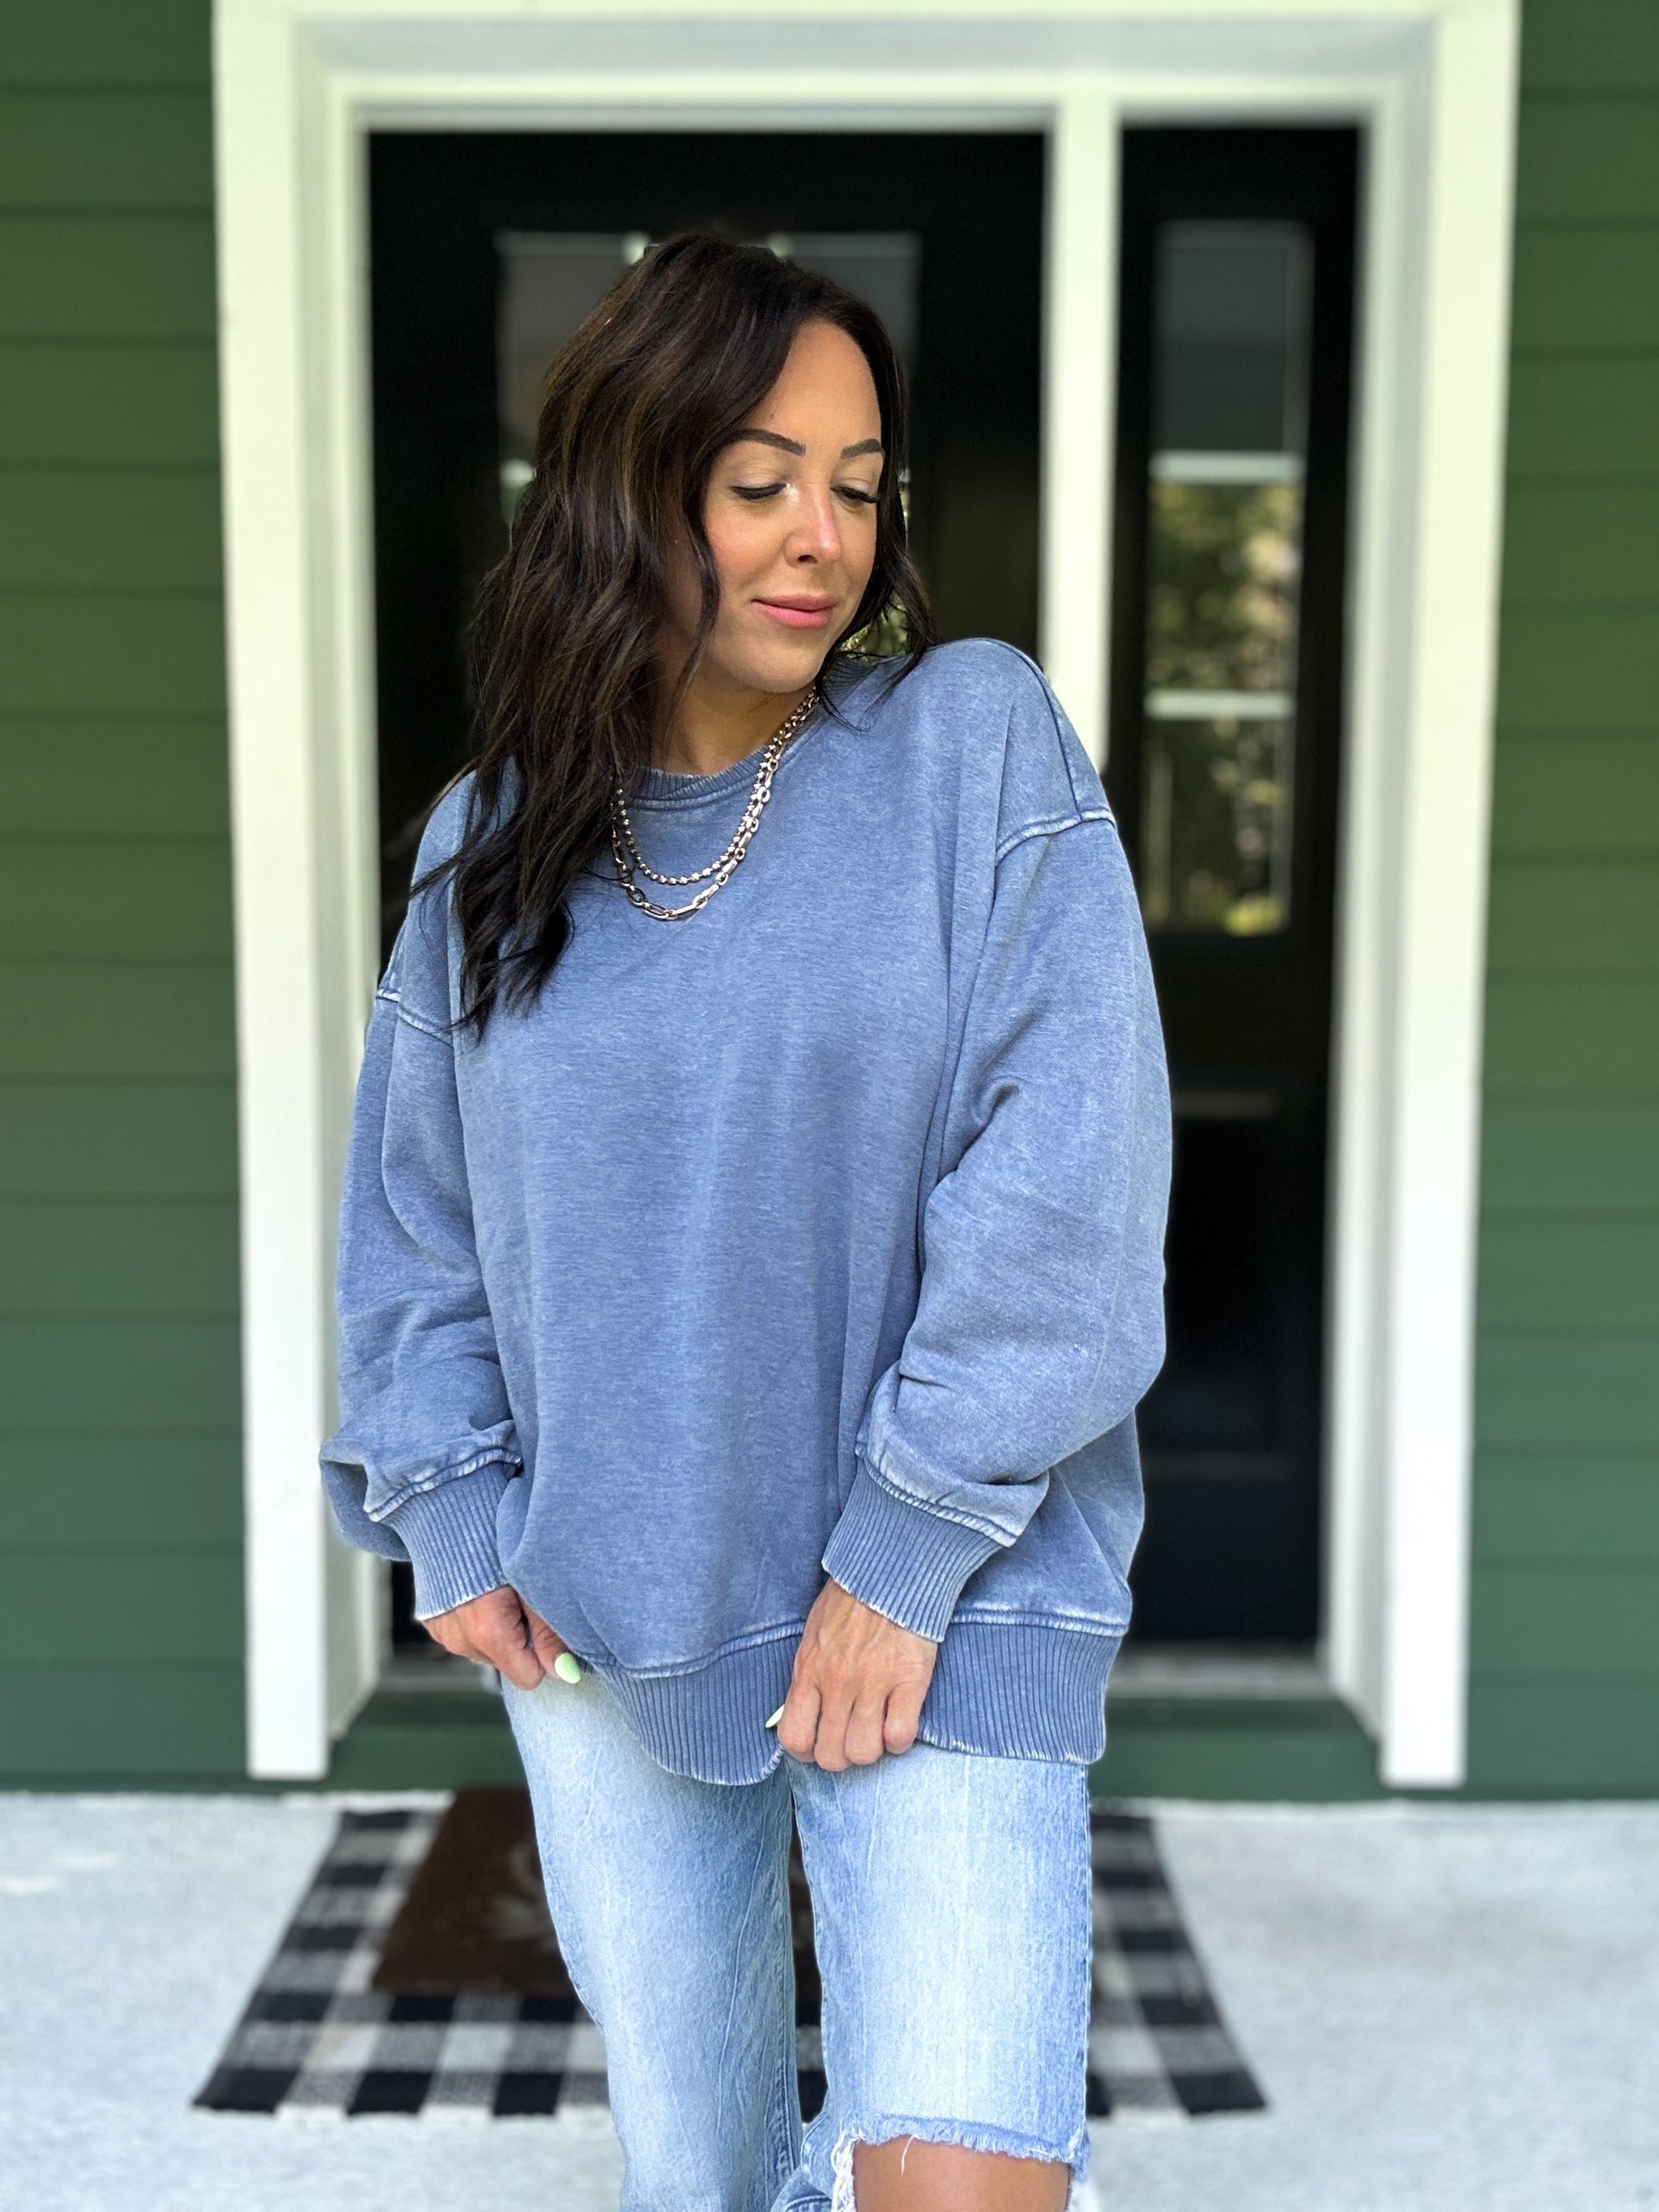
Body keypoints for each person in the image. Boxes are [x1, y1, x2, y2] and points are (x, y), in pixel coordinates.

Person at [320, 232, 1171, 2212]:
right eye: (758, 479)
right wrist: (451, 1515)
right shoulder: (485, 847)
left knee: (960, 2185)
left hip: (947, 1592)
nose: (822, 538)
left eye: (858, 484)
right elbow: (417, 1223)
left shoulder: (967, 745)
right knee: (698, 2178)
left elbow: (1069, 1178)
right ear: (629, 488)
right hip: (609, 1609)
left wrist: (903, 1547)